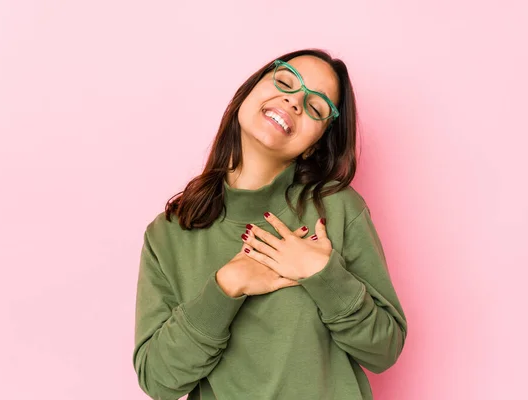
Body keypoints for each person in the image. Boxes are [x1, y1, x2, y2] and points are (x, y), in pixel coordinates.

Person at [132, 48, 408, 400]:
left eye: (315, 108)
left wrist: (322, 274)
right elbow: (158, 380)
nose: (294, 102)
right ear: (249, 92)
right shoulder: (169, 234)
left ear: (313, 146)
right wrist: (226, 286)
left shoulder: (337, 209)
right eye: (285, 82)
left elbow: (383, 350)